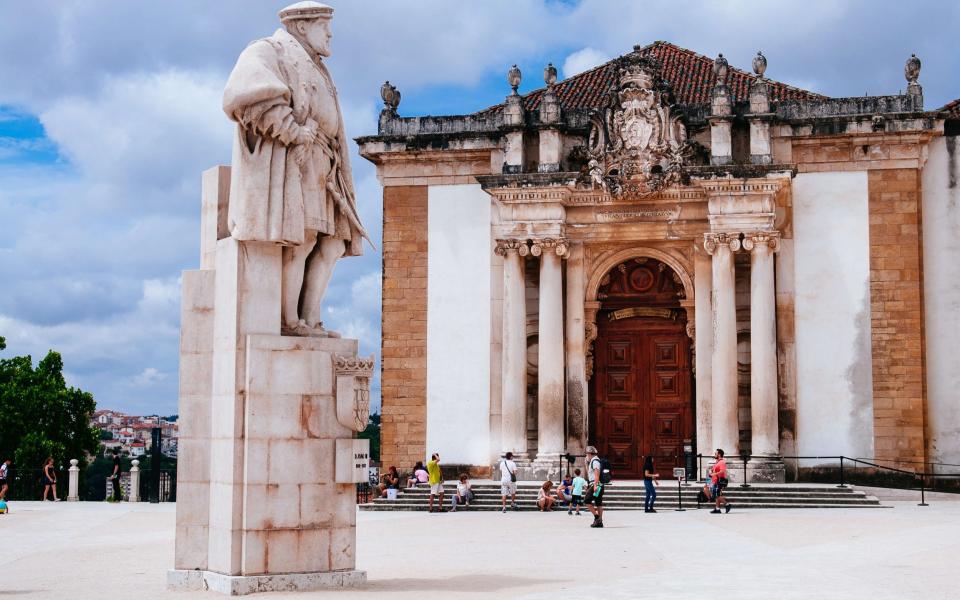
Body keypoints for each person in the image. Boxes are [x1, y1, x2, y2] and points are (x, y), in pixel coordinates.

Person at [222, 1, 370, 337]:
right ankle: (291, 320)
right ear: (302, 26)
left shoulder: (317, 66)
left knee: (334, 242)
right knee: (303, 239)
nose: (330, 34)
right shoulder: (270, 50)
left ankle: (311, 317)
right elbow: (245, 94)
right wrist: (292, 130)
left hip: (326, 165)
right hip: (298, 160)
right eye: (324, 26)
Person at [584, 446, 605, 528]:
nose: (586, 456)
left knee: (586, 500)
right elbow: (590, 474)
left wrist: (595, 485)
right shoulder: (593, 461)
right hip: (598, 484)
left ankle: (597, 518)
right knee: (598, 503)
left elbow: (597, 474)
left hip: (596, 484)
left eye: (586, 454)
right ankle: (600, 522)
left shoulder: (595, 461)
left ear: (589, 454)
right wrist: (586, 464)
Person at [708, 448, 732, 514]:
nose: (714, 455)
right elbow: (713, 470)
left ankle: (727, 504)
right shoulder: (717, 462)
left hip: (719, 481)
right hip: (715, 480)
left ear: (719, 454)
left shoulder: (722, 462)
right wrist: (711, 472)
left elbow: (722, 471)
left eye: (715, 453)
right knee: (716, 495)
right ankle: (717, 509)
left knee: (716, 495)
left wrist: (714, 474)